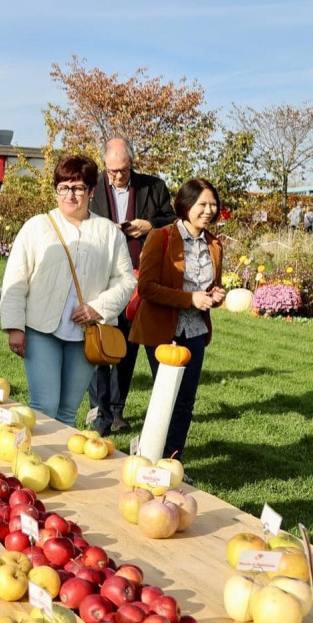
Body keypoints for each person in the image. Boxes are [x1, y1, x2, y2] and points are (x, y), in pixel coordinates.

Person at [0, 154, 136, 425]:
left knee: (68, 411)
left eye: (78, 188)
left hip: (85, 334)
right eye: (64, 187)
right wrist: (15, 327)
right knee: (44, 405)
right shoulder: (37, 227)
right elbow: (16, 278)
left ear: (91, 190)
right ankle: (33, 463)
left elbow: (126, 280)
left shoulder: (109, 232)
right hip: (41, 329)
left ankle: (60, 463)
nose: (70, 195)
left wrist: (97, 308)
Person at [129, 178, 225, 464]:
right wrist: (190, 299)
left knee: (184, 403)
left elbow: (210, 284)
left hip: (194, 330)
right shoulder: (162, 237)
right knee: (164, 399)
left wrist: (215, 294)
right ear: (185, 205)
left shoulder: (214, 244)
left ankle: (172, 462)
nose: (208, 210)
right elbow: (146, 287)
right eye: (202, 204)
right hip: (162, 328)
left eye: (213, 204)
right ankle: (146, 459)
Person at [85, 138, 174, 435]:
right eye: (112, 171)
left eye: (123, 170)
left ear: (132, 164)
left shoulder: (153, 187)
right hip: (101, 277)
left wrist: (149, 225)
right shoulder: (92, 186)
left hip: (138, 278)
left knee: (126, 346)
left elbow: (171, 220)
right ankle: (99, 412)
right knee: (100, 343)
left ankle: (118, 410)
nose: (117, 176)